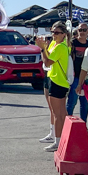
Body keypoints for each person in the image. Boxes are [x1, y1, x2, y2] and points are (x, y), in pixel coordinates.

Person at [37, 22, 71, 152]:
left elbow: (47, 61)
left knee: (58, 114)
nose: (53, 35)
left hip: (58, 81)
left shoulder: (61, 47)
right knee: (61, 113)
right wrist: (44, 47)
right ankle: (62, 138)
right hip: (54, 79)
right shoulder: (55, 44)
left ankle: (57, 141)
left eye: (57, 33)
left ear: (63, 34)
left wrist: (41, 49)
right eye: (52, 32)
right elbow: (48, 57)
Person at [67, 24, 88, 123]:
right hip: (74, 77)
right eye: (80, 30)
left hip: (86, 78)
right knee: (72, 102)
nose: (82, 32)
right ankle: (67, 124)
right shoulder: (72, 43)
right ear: (77, 31)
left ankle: (83, 125)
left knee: (85, 104)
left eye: (84, 30)